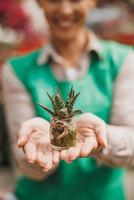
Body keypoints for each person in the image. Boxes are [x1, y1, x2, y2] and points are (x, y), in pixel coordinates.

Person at [2, 0, 134, 200]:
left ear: (92, 2)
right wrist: (41, 151)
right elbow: (24, 164)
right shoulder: (16, 70)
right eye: (54, 0)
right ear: (40, 3)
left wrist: (100, 138)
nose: (65, 10)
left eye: (75, 0)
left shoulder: (124, 60)